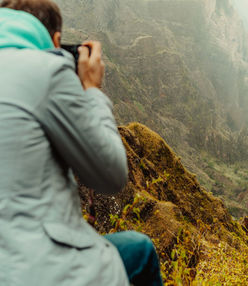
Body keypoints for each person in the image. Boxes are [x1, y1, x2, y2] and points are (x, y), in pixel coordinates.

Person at [0, 0, 163, 285]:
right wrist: (91, 91)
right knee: (141, 251)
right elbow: (111, 176)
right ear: (57, 41)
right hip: (35, 271)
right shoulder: (47, 69)